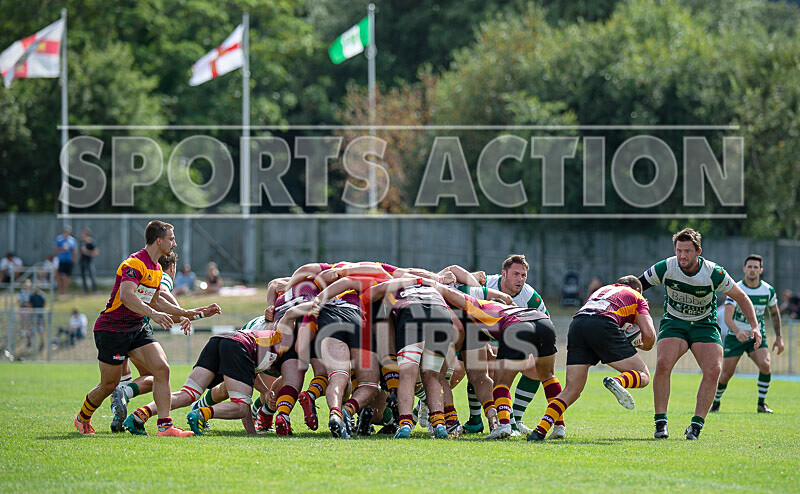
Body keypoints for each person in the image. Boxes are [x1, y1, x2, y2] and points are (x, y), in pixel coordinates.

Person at [73, 220, 207, 437]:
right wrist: (154, 314)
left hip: (136, 327)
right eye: (171, 239)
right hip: (113, 329)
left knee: (162, 368)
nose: (174, 243)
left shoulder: (155, 268)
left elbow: (155, 300)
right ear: (159, 240)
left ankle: (165, 426)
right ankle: (83, 417)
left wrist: (186, 313)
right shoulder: (135, 263)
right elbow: (127, 296)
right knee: (108, 384)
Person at [639, 228, 761, 440]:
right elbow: (637, 286)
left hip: (704, 325)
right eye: (679, 250)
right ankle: (661, 423)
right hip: (674, 322)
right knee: (663, 363)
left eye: (687, 251)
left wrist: (755, 326)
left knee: (714, 369)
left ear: (698, 252)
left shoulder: (714, 272)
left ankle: (695, 426)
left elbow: (741, 297)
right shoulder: (666, 267)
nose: (682, 256)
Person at [528, 276, 656, 441]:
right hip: (604, 324)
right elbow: (650, 336)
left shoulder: (601, 291)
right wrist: (639, 344)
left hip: (578, 324)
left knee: (572, 390)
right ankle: (619, 382)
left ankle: (539, 431)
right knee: (643, 375)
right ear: (638, 290)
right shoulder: (637, 296)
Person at [110, 252, 221, 433]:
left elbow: (169, 311)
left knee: (119, 379)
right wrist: (188, 313)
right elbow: (161, 294)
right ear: (172, 267)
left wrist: (185, 314)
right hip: (136, 332)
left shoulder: (141, 270)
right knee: (158, 376)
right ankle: (132, 399)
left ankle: (106, 417)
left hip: (116, 327)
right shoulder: (163, 275)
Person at [126, 318, 284, 436]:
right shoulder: (277, 351)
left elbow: (250, 375)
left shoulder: (266, 342)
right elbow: (245, 399)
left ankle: (139, 415)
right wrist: (252, 433)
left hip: (220, 339)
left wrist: (264, 390)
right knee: (241, 406)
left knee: (188, 394)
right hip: (236, 346)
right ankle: (200, 414)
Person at [456, 254, 552, 436]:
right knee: (479, 366)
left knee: (536, 369)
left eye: (523, 275)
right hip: (478, 335)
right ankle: (475, 419)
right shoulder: (485, 285)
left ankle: (515, 419)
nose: (520, 279)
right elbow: (461, 298)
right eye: (515, 274)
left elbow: (545, 321)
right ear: (504, 274)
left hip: (513, 340)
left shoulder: (530, 296)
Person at [712, 255, 784, 414]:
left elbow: (774, 313)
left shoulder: (768, 290)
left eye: (755, 267)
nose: (752, 270)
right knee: (726, 374)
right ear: (744, 269)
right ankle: (716, 402)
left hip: (756, 336)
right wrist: (737, 332)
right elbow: (728, 317)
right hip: (735, 336)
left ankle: (761, 403)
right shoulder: (736, 288)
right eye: (749, 267)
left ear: (761, 270)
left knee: (765, 365)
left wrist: (779, 338)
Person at [54, 226, 77, 295]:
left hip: (69, 260)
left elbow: (74, 251)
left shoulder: (72, 240)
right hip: (61, 260)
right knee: (59, 275)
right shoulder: (59, 239)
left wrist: (74, 259)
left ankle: (65, 291)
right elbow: (55, 249)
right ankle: (60, 290)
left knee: (67, 276)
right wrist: (62, 249)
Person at [79, 228, 99, 293]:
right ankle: (86, 290)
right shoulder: (82, 242)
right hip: (82, 260)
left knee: (92, 275)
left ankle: (95, 289)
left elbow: (95, 252)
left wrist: (88, 252)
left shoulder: (91, 242)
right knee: (83, 276)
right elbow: (81, 251)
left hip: (89, 261)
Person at [28, 286, 46, 353]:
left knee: (40, 329)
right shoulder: (32, 295)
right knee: (32, 329)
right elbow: (30, 304)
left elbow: (44, 304)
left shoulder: (42, 295)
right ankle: (30, 342)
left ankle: (41, 342)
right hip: (34, 315)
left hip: (40, 315)